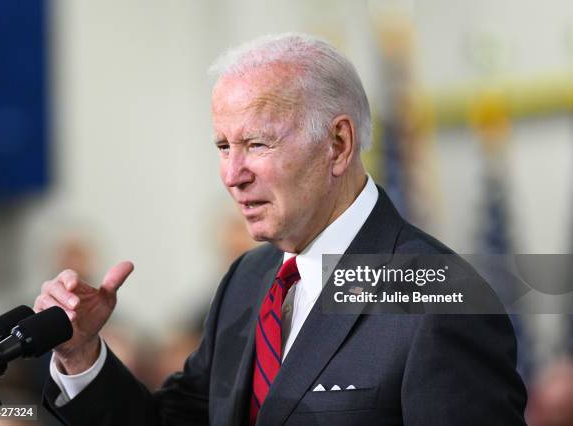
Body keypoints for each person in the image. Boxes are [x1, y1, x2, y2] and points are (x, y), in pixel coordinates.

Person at [34, 33, 527, 425]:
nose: (232, 174)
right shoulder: (246, 282)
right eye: (224, 147)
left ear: (337, 143)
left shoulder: (442, 298)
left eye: (258, 144)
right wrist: (81, 356)